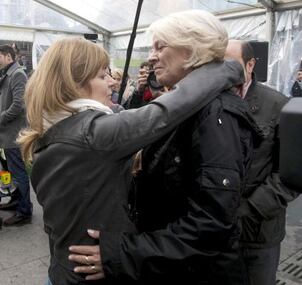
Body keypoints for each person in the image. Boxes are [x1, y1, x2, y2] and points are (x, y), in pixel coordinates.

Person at [17, 35, 246, 284]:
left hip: (62, 269)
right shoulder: (95, 134)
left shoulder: (54, 130)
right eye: (102, 76)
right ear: (75, 83)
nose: (112, 84)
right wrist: (230, 67)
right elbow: (167, 110)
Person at [68, 10, 259, 285]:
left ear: (193, 49)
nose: (152, 56)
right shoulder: (189, 108)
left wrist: (123, 254)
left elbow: (210, 224)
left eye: (160, 46)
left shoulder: (216, 114)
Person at [225, 39, 299, 285]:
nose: (222, 71)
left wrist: (247, 212)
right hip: (215, 234)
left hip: (258, 235)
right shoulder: (211, 102)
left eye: (229, 64)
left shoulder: (278, 105)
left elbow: (290, 177)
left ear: (250, 65)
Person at [0, 44, 32, 226]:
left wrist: (1, 118)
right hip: (10, 134)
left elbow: (19, 104)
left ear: (9, 56)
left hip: (14, 135)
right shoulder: (11, 74)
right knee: (15, 172)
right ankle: (17, 202)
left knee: (19, 174)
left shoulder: (17, 74)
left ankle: (24, 211)